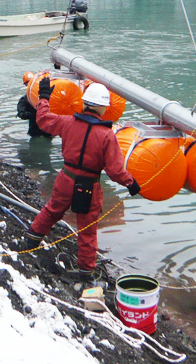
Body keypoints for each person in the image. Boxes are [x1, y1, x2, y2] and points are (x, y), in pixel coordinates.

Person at [22, 80, 141, 284]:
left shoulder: (67, 122)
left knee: (52, 211)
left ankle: (30, 241)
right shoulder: (107, 135)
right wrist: (131, 183)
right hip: (89, 186)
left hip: (66, 177)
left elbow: (42, 120)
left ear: (84, 103)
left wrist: (43, 96)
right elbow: (114, 171)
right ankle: (86, 273)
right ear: (103, 108)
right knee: (87, 230)